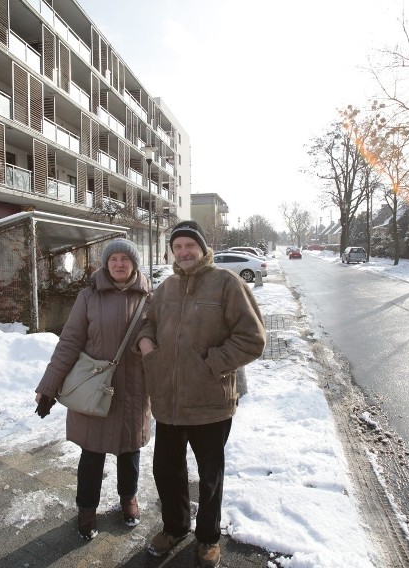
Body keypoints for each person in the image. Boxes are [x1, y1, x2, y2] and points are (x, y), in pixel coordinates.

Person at [137, 220, 266, 568]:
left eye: (189, 246)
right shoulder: (166, 288)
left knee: (209, 477)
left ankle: (208, 538)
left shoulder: (227, 284)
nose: (183, 252)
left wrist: (211, 364)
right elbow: (148, 322)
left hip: (211, 403)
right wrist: (148, 346)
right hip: (169, 401)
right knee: (166, 471)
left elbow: (252, 338)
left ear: (202, 248)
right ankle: (175, 527)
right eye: (177, 247)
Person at [35, 238, 152, 540]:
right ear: (105, 263)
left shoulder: (151, 297)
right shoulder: (89, 296)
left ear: (134, 263)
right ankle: (86, 509)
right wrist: (49, 386)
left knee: (130, 453)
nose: (119, 264)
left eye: (125, 258)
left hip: (134, 391)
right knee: (92, 455)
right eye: (112, 259)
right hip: (95, 388)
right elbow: (70, 341)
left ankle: (128, 499)